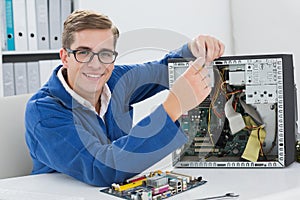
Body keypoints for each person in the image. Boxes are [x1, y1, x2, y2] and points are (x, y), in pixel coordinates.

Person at [25, 9, 225, 187]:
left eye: (105, 54)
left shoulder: (115, 80)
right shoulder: (43, 112)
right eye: (83, 52)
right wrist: (174, 106)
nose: (95, 65)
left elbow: (162, 70)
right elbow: (101, 168)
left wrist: (194, 49)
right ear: (64, 57)